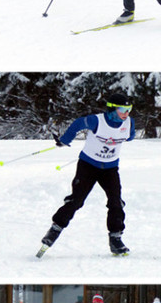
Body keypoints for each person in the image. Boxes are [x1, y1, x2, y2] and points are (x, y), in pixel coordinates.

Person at [36, 92, 135, 258]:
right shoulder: (97, 120)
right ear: (111, 109)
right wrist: (65, 140)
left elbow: (130, 136)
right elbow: (77, 124)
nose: (126, 113)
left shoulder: (129, 123)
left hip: (110, 168)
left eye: (129, 109)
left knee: (116, 201)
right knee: (77, 200)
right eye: (123, 109)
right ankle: (55, 229)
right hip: (88, 166)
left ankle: (116, 239)